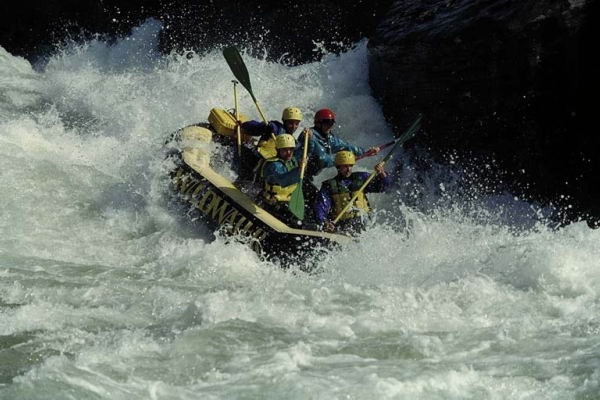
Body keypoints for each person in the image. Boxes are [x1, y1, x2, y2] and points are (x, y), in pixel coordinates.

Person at [295, 108, 380, 219]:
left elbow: (346, 146)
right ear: (318, 123)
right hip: (296, 175)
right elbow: (323, 159)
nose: (330, 126)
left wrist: (366, 152)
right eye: (327, 123)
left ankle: (323, 222)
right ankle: (306, 221)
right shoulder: (309, 135)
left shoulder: (329, 138)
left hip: (307, 177)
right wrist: (345, 160)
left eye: (331, 123)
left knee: (318, 200)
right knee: (314, 199)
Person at [314, 151, 391, 234]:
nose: (348, 169)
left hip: (365, 222)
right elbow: (321, 207)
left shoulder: (361, 178)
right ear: (338, 167)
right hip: (344, 226)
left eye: (350, 166)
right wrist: (325, 222)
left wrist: (382, 174)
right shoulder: (329, 186)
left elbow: (384, 187)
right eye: (345, 166)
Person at [259, 134, 307, 227]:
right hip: (272, 204)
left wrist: (306, 137)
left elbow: (303, 149)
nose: (289, 152)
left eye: (291, 149)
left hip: (288, 203)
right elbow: (283, 181)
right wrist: (299, 169)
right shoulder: (274, 165)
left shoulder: (292, 161)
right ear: (278, 150)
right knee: (297, 224)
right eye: (285, 150)